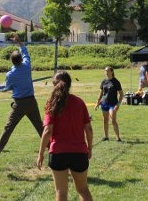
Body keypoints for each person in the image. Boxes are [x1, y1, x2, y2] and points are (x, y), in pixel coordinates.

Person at [37, 71, 93, 201]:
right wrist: (89, 148)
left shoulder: (52, 102)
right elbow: (89, 129)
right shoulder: (79, 102)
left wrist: (40, 154)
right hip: (79, 152)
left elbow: (47, 131)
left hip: (58, 153)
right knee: (83, 190)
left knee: (61, 192)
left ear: (54, 85)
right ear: (69, 85)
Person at [0, 33, 43, 159]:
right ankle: (52, 148)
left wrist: (0, 88)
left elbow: (8, 87)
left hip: (19, 104)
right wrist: (19, 41)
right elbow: (25, 51)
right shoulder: (27, 66)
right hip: (31, 102)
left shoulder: (10, 74)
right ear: (21, 59)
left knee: (8, 128)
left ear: (11, 61)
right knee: (40, 127)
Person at [95, 66, 123, 142]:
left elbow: (121, 94)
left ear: (112, 72)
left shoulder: (116, 82)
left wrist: (118, 104)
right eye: (105, 71)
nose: (106, 72)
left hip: (113, 104)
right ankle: (106, 137)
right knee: (105, 120)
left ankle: (118, 138)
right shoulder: (103, 81)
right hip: (104, 103)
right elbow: (101, 93)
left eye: (108, 71)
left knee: (113, 120)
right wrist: (97, 102)